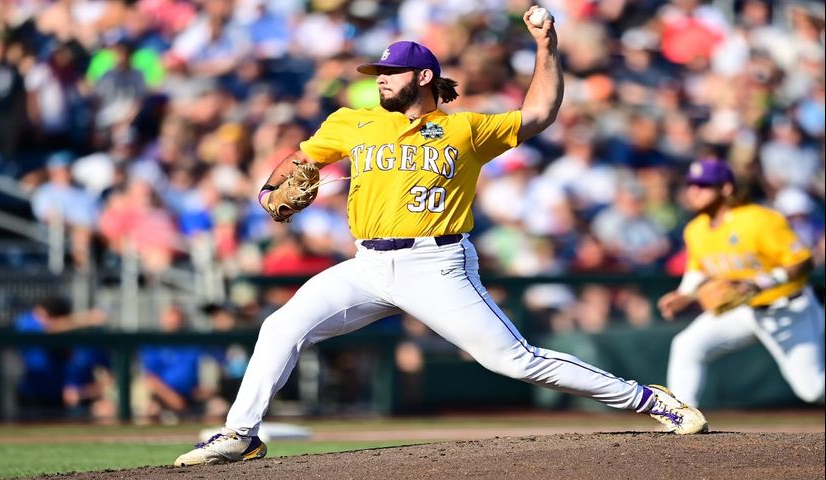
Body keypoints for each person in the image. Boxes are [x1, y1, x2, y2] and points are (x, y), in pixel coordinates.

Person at [175, 7, 707, 467]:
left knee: (512, 360)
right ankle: (240, 435)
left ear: (424, 76)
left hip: (438, 264)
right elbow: (299, 160)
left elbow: (540, 113)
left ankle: (648, 399)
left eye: (391, 71)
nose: (380, 78)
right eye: (377, 71)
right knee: (280, 327)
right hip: (367, 265)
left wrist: (547, 47)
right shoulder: (350, 122)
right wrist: (271, 190)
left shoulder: (465, 129)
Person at [657, 159, 825, 407]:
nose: (694, 190)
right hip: (744, 309)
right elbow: (698, 268)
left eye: (703, 184)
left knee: (812, 390)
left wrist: (761, 282)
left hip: (788, 309)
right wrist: (685, 294)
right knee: (686, 345)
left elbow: (803, 261)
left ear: (726, 188)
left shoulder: (760, 219)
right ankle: (681, 414)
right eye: (691, 184)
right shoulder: (696, 229)